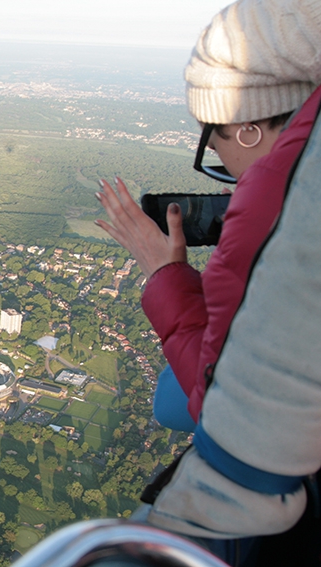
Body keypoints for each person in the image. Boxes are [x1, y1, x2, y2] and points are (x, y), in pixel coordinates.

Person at [95, 0, 321, 431]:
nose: (217, 157)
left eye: (212, 145)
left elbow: (221, 403)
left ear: (246, 127)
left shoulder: (281, 206)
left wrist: (167, 274)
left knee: (169, 398)